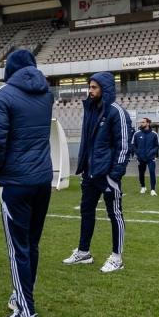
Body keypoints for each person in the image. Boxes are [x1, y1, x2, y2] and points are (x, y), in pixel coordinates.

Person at [0, 49, 53, 317]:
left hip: (16, 181)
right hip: (42, 178)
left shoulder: (4, 95)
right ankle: (21, 296)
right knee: (31, 244)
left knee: (18, 248)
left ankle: (26, 314)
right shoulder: (46, 93)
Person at [63, 72, 132, 273]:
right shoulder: (91, 109)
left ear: (105, 89)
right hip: (90, 173)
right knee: (86, 211)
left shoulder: (116, 112)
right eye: (89, 87)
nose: (90, 91)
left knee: (115, 214)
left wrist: (115, 174)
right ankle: (83, 252)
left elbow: (124, 145)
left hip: (107, 174)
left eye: (94, 87)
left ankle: (117, 257)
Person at [132, 117, 159, 196]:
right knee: (141, 173)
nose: (142, 123)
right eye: (141, 122)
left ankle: (153, 190)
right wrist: (138, 153)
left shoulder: (154, 134)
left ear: (148, 123)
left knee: (152, 172)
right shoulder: (137, 134)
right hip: (141, 158)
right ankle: (143, 187)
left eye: (143, 122)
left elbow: (157, 145)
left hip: (151, 158)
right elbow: (133, 145)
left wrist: (152, 153)